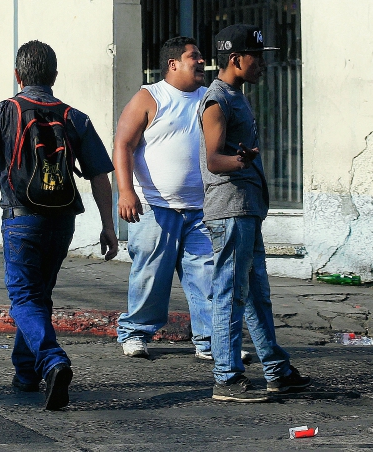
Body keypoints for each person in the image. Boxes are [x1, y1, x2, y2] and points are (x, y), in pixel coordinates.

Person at [0, 40, 119, 411]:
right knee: (37, 296)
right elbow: (99, 175)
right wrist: (108, 226)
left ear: (17, 76)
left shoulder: (4, 112)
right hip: (63, 221)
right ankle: (26, 373)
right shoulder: (75, 117)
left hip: (21, 218)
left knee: (24, 298)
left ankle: (52, 361)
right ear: (54, 76)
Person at [200, 24, 310, 403]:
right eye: (257, 57)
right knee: (230, 294)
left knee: (257, 293)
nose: (262, 64)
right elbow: (214, 160)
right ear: (235, 59)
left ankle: (276, 370)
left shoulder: (236, 96)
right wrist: (241, 160)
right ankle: (226, 378)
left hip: (246, 210)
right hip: (229, 210)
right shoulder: (217, 100)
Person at [113, 36, 214, 360]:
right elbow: (122, 144)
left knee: (207, 277)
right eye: (193, 56)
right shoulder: (149, 97)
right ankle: (134, 334)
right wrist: (126, 192)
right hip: (156, 208)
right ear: (173, 64)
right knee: (151, 276)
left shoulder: (209, 98)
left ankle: (211, 342)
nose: (201, 62)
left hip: (200, 209)